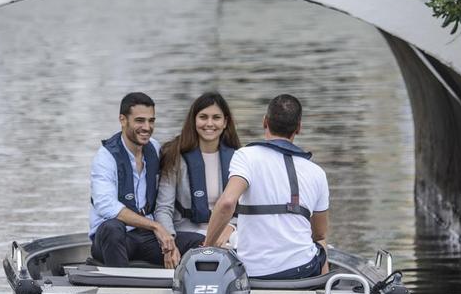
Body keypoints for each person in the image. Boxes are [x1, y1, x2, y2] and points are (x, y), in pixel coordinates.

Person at [204, 94, 329, 278]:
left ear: (265, 122)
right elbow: (319, 233)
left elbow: (227, 203)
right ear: (299, 128)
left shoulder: (245, 156)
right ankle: (322, 293)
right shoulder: (317, 172)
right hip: (301, 269)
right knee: (323, 245)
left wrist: (207, 246)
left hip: (252, 271)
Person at [89, 92, 204, 267]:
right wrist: (156, 227)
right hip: (113, 239)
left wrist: (167, 236)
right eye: (140, 120)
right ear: (123, 120)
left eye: (151, 121)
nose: (147, 127)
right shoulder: (105, 157)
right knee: (112, 228)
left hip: (145, 237)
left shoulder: (155, 149)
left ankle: (181, 286)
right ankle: (120, 287)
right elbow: (106, 206)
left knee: (198, 242)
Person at [156, 91, 242, 264]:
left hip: (227, 233)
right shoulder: (174, 156)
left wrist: (230, 227)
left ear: (225, 122)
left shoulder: (238, 158)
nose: (209, 123)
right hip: (186, 234)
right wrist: (169, 243)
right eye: (203, 117)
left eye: (216, 118)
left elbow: (246, 207)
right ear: (194, 120)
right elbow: (163, 209)